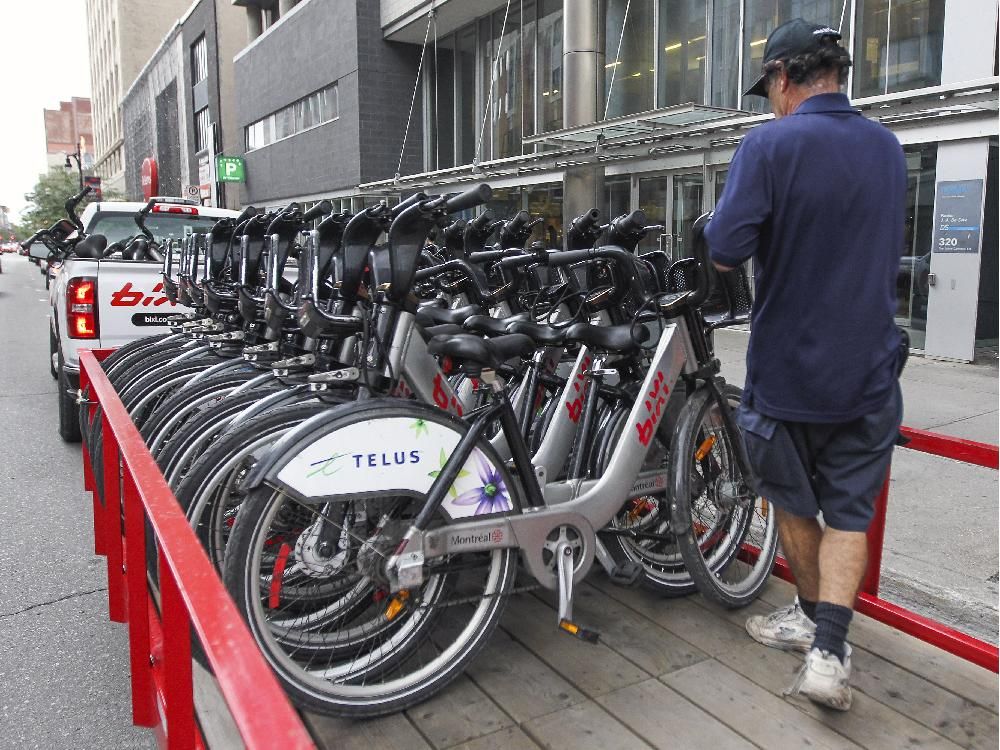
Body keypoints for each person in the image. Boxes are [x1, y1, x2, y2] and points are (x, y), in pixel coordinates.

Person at [705, 18, 907, 711]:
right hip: (871, 373)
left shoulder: (769, 146)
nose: (770, 101)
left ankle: (814, 625)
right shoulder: (889, 148)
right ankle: (828, 647)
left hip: (787, 376)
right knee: (850, 514)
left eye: (769, 89)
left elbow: (726, 250)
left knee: (792, 503)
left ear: (785, 77)